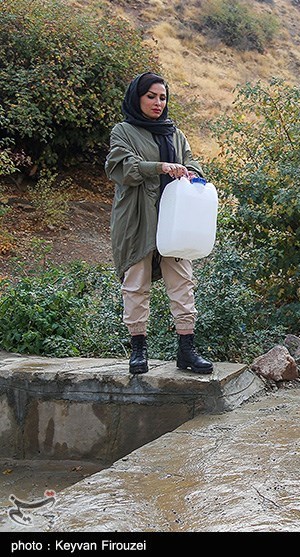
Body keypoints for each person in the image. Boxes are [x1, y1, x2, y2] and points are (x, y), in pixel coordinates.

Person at [105, 71, 214, 376]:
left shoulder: (175, 134)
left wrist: (191, 172)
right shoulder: (124, 131)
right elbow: (120, 167)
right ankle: (138, 350)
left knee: (182, 282)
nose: (157, 103)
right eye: (151, 96)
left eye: (162, 97)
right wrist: (160, 167)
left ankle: (187, 350)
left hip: (174, 220)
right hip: (137, 219)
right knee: (136, 284)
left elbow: (192, 162)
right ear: (137, 97)